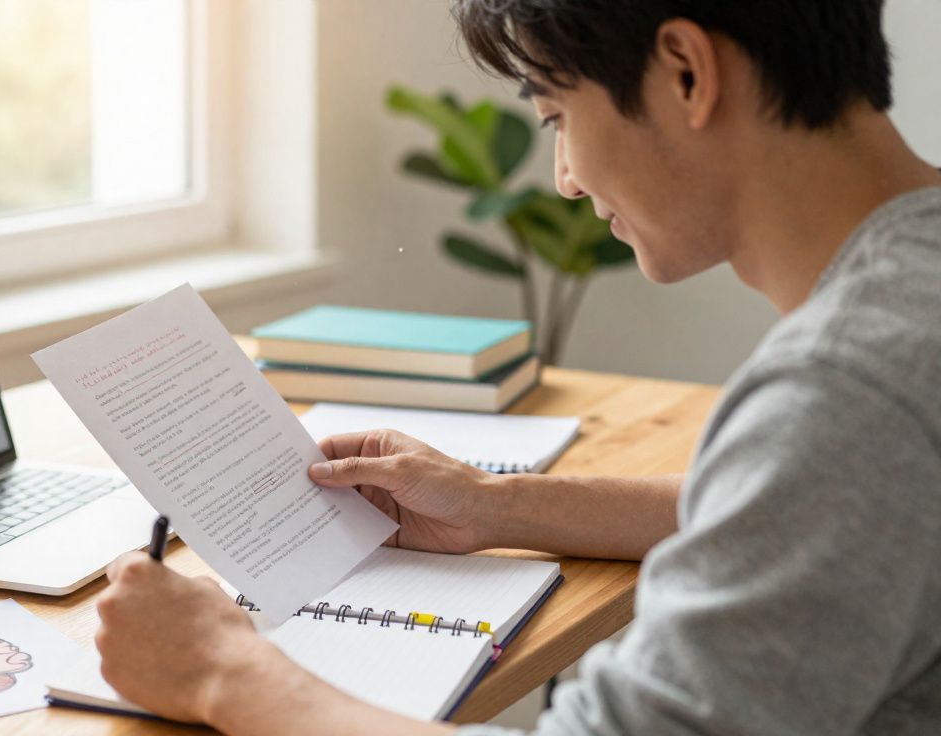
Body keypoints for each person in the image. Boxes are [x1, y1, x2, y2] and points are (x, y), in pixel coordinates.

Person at [92, 1, 941, 733]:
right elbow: (804, 506)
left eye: (557, 118)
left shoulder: (845, 386)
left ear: (684, 71)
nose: (566, 180)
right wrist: (496, 506)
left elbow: (827, 461)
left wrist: (220, 672)